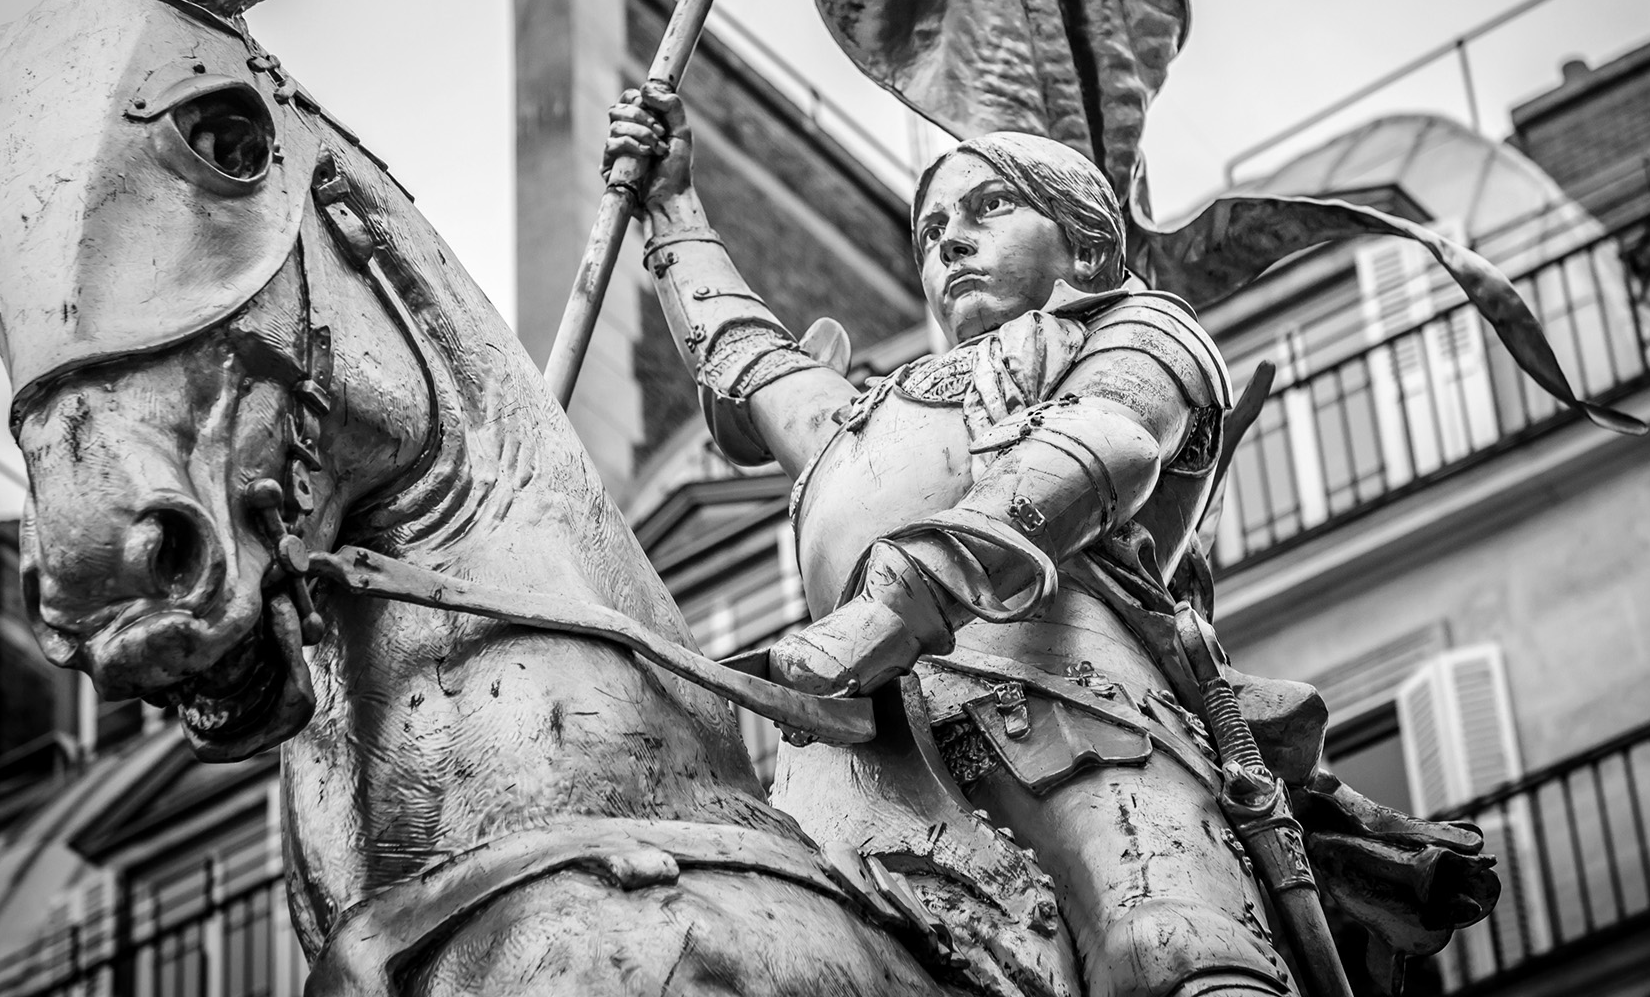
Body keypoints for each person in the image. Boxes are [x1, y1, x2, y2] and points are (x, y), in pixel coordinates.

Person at [605, 84, 1491, 997]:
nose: (948, 238)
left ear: (1087, 243)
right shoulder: (864, 416)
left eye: (989, 207)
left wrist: (893, 604)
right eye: (930, 230)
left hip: (1077, 716)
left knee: (1168, 948)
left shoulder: (1134, 328)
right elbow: (746, 355)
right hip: (850, 767)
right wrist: (672, 206)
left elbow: (1099, 448)